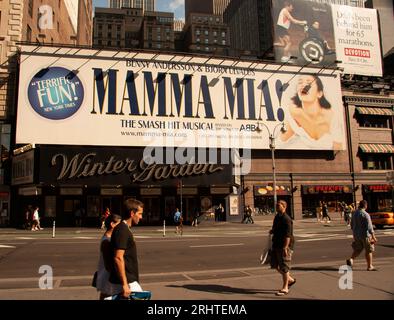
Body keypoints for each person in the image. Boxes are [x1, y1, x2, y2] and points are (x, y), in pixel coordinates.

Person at [279, 74, 344, 150]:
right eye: (300, 82)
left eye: (308, 83)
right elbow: (279, 142)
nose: (303, 85)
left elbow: (339, 146)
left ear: (319, 93)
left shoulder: (332, 118)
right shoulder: (292, 114)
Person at [109, 199, 144, 299]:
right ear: (132, 213)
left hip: (127, 280)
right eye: (140, 214)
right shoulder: (122, 230)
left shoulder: (124, 229)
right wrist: (125, 284)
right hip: (128, 282)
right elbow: (118, 257)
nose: (141, 217)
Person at [270, 200, 296, 296]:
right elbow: (275, 228)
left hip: (285, 245)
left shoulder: (287, 219)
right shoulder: (277, 217)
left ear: (284, 206)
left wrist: (285, 247)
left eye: (278, 205)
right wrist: (272, 231)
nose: (276, 206)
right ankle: (290, 280)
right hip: (276, 243)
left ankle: (285, 287)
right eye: (276, 205)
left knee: (284, 267)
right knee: (274, 265)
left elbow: (288, 235)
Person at [346, 200, 378, 271]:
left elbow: (351, 225)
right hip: (365, 235)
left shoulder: (354, 213)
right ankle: (369, 266)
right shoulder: (365, 214)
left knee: (358, 249)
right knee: (369, 250)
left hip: (356, 235)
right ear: (365, 205)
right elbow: (370, 227)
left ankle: (351, 259)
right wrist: (373, 236)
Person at [96, 214, 122, 300]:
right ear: (112, 224)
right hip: (108, 277)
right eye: (119, 224)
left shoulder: (109, 237)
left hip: (107, 276)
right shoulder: (107, 241)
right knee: (107, 296)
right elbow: (108, 265)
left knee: (105, 296)